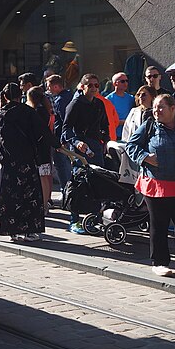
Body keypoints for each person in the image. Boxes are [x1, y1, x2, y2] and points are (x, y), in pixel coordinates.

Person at [125, 94, 175, 277]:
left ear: (173, 109)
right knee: (159, 224)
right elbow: (131, 145)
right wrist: (145, 157)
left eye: (161, 107)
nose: (156, 111)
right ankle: (160, 262)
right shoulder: (149, 125)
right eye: (155, 107)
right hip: (156, 184)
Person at [0, 82, 50, 242]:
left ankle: (12, 231)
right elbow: (41, 133)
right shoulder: (29, 112)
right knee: (29, 195)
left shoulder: (0, 114)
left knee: (9, 196)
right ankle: (31, 229)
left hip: (7, 162)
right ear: (20, 96)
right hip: (27, 160)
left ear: (4, 96)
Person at [62, 74, 110, 234]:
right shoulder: (75, 104)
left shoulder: (99, 104)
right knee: (79, 182)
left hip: (96, 147)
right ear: (82, 87)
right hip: (80, 149)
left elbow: (105, 125)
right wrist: (76, 142)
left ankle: (95, 218)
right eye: (90, 85)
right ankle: (74, 220)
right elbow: (66, 129)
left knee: (98, 181)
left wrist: (106, 141)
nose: (94, 88)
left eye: (96, 85)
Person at [26, 86, 56, 213]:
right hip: (45, 145)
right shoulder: (46, 109)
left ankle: (43, 205)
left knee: (42, 176)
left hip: (39, 147)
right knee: (45, 175)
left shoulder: (37, 111)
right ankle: (46, 202)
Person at [46, 74, 73, 190]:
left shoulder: (61, 100)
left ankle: (66, 190)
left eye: (49, 86)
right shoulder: (70, 96)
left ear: (56, 86)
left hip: (62, 137)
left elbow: (62, 121)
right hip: (68, 136)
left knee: (62, 165)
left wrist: (59, 139)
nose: (48, 89)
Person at [106, 72, 133, 139]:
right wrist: (122, 122)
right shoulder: (108, 100)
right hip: (114, 135)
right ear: (115, 83)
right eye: (122, 81)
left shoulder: (131, 98)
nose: (125, 83)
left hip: (129, 134)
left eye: (127, 81)